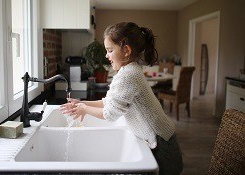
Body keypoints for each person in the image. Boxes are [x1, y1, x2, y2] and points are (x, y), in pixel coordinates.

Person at [60, 22, 183, 175]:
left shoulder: (129, 75)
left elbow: (110, 113)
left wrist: (84, 109)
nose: (106, 55)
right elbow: (109, 102)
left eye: (110, 50)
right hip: (160, 138)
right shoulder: (128, 71)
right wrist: (83, 103)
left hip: (162, 144)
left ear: (126, 50)